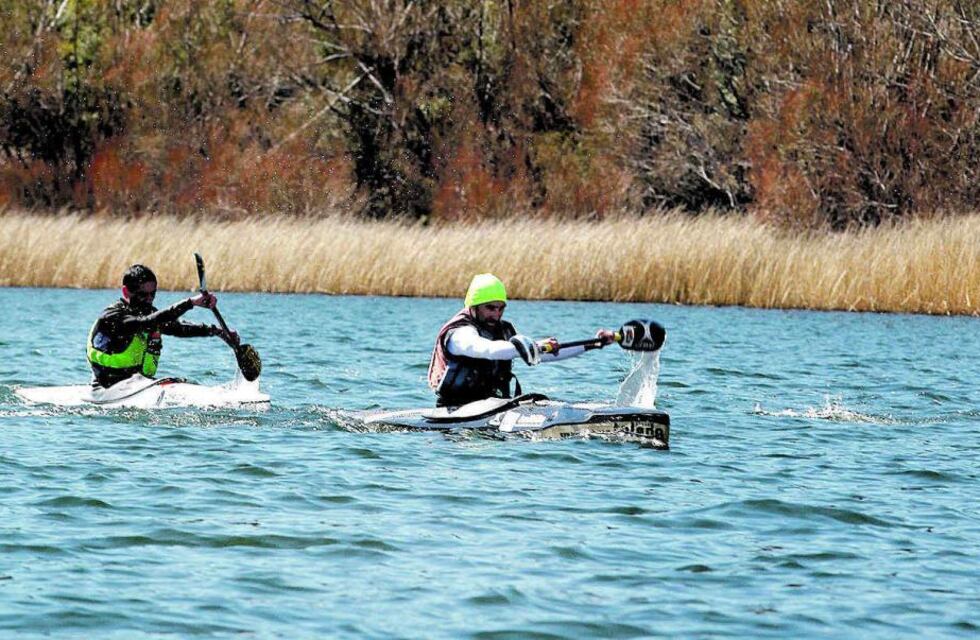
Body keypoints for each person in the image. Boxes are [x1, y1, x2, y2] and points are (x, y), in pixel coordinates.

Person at [428, 273, 616, 407]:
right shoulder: (459, 333)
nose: (496, 314)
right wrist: (534, 346)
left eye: (501, 308)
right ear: (473, 307)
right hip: (454, 409)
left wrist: (595, 344)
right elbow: (488, 349)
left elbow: (541, 357)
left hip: (494, 405)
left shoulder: (503, 330)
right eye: (490, 308)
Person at [87, 264, 238, 389]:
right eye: (142, 295)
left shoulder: (146, 313)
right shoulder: (113, 317)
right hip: (106, 385)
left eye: (152, 294)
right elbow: (147, 322)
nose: (149, 300)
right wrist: (190, 303)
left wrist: (218, 331)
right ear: (126, 291)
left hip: (136, 383)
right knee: (153, 326)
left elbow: (178, 328)